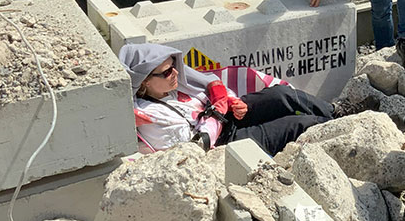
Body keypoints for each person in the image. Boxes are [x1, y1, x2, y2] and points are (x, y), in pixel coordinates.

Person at [120, 43, 334, 156]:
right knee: (297, 125)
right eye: (167, 72)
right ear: (144, 82)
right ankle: (339, 129)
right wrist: (217, 113)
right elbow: (193, 146)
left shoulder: (176, 87)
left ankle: (337, 113)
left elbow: (210, 87)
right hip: (222, 145)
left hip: (225, 118)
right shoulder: (149, 116)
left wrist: (229, 101)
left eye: (175, 66)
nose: (176, 73)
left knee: (282, 95)